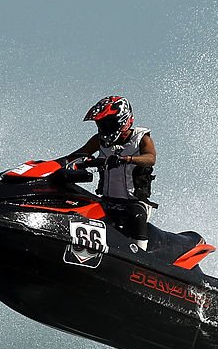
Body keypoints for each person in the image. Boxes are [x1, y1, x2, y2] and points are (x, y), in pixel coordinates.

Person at [67, 95, 157, 251]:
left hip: (134, 202)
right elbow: (78, 155)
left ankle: (141, 257)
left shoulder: (141, 138)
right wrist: (56, 164)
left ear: (122, 120)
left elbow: (151, 158)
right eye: (101, 124)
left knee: (137, 217)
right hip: (107, 201)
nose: (103, 128)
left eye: (107, 123)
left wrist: (127, 159)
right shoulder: (98, 140)